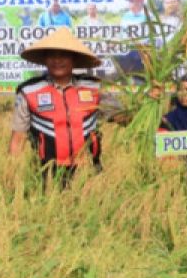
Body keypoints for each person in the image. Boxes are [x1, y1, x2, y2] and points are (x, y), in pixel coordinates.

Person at [8, 28, 125, 179]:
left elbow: (123, 118)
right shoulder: (29, 91)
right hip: (47, 175)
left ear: (74, 59)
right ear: (44, 59)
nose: (57, 60)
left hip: (88, 172)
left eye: (64, 55)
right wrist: (11, 177)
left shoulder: (94, 87)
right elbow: (18, 139)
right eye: (52, 55)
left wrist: (151, 101)